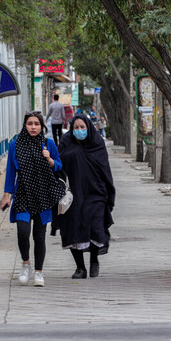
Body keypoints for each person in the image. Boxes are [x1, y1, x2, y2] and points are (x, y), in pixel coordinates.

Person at [0, 111, 65, 287]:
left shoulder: (48, 143)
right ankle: (25, 264)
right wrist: (7, 195)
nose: (33, 127)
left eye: (36, 124)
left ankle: (39, 272)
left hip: (43, 194)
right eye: (30, 123)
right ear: (25, 125)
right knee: (23, 231)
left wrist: (50, 159)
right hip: (22, 193)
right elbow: (11, 172)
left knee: (39, 235)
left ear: (41, 126)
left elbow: (59, 165)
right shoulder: (15, 145)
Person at [56, 114, 115, 279]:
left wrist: (107, 193)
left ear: (88, 127)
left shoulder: (97, 143)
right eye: (76, 128)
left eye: (82, 127)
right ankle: (80, 268)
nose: (79, 131)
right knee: (73, 228)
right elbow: (57, 165)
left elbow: (105, 169)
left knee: (95, 226)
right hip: (73, 195)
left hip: (95, 193)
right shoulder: (66, 143)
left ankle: (94, 259)